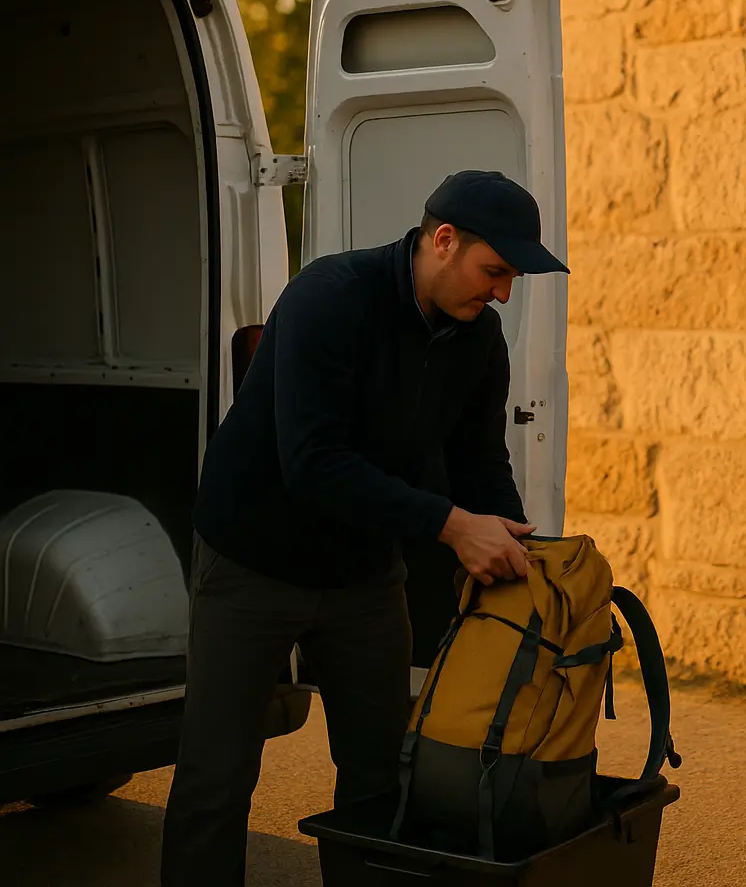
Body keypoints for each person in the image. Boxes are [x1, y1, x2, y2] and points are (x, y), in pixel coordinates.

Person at [160, 170, 569, 886]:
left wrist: (510, 536)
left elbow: (478, 460)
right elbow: (313, 464)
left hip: (365, 575)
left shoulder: (479, 337)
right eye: (494, 271)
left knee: (381, 775)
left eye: (511, 278)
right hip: (254, 560)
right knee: (217, 777)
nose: (503, 292)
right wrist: (449, 526)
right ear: (443, 241)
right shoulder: (331, 296)